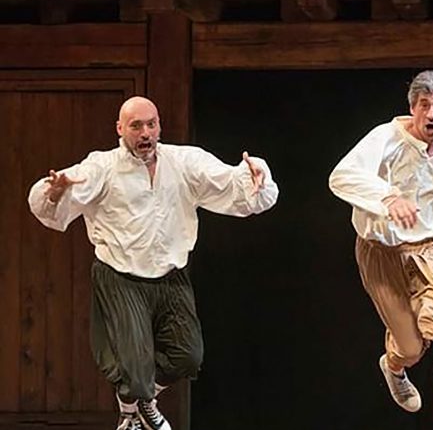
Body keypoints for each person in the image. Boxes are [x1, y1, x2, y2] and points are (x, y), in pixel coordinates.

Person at [27, 96, 279, 430]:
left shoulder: (184, 162)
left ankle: (141, 404)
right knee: (134, 366)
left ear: (159, 126)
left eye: (151, 124)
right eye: (136, 126)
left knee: (187, 356)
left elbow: (231, 184)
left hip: (170, 276)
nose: (145, 133)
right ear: (120, 129)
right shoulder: (102, 167)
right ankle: (131, 413)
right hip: (121, 276)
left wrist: (254, 177)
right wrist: (54, 193)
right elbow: (61, 194)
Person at [328, 70, 433, 430]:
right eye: (424, 105)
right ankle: (394, 366)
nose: (431, 114)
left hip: (432, 245)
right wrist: (388, 197)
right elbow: (341, 176)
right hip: (382, 251)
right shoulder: (386, 138)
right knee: (410, 348)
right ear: (413, 108)